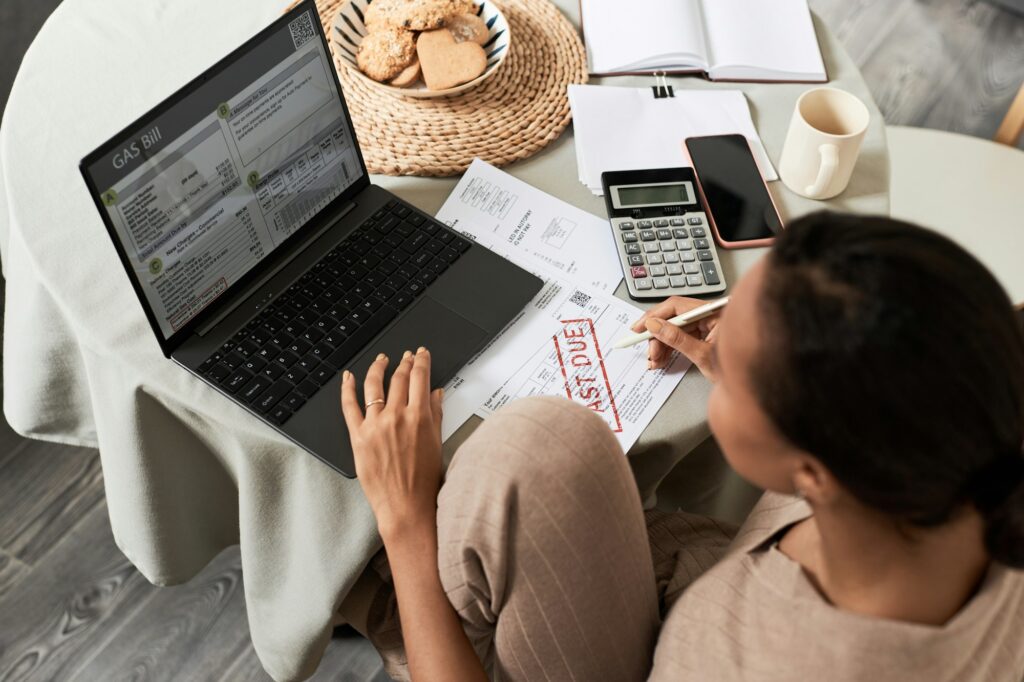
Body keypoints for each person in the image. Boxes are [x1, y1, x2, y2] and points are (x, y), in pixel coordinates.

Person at [336, 212, 1024, 681]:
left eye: (736, 385)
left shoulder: (744, 662)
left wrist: (404, 520)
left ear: (811, 470)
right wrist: (771, 350)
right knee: (543, 449)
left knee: (497, 483)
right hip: (709, 576)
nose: (716, 347)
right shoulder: (977, 425)